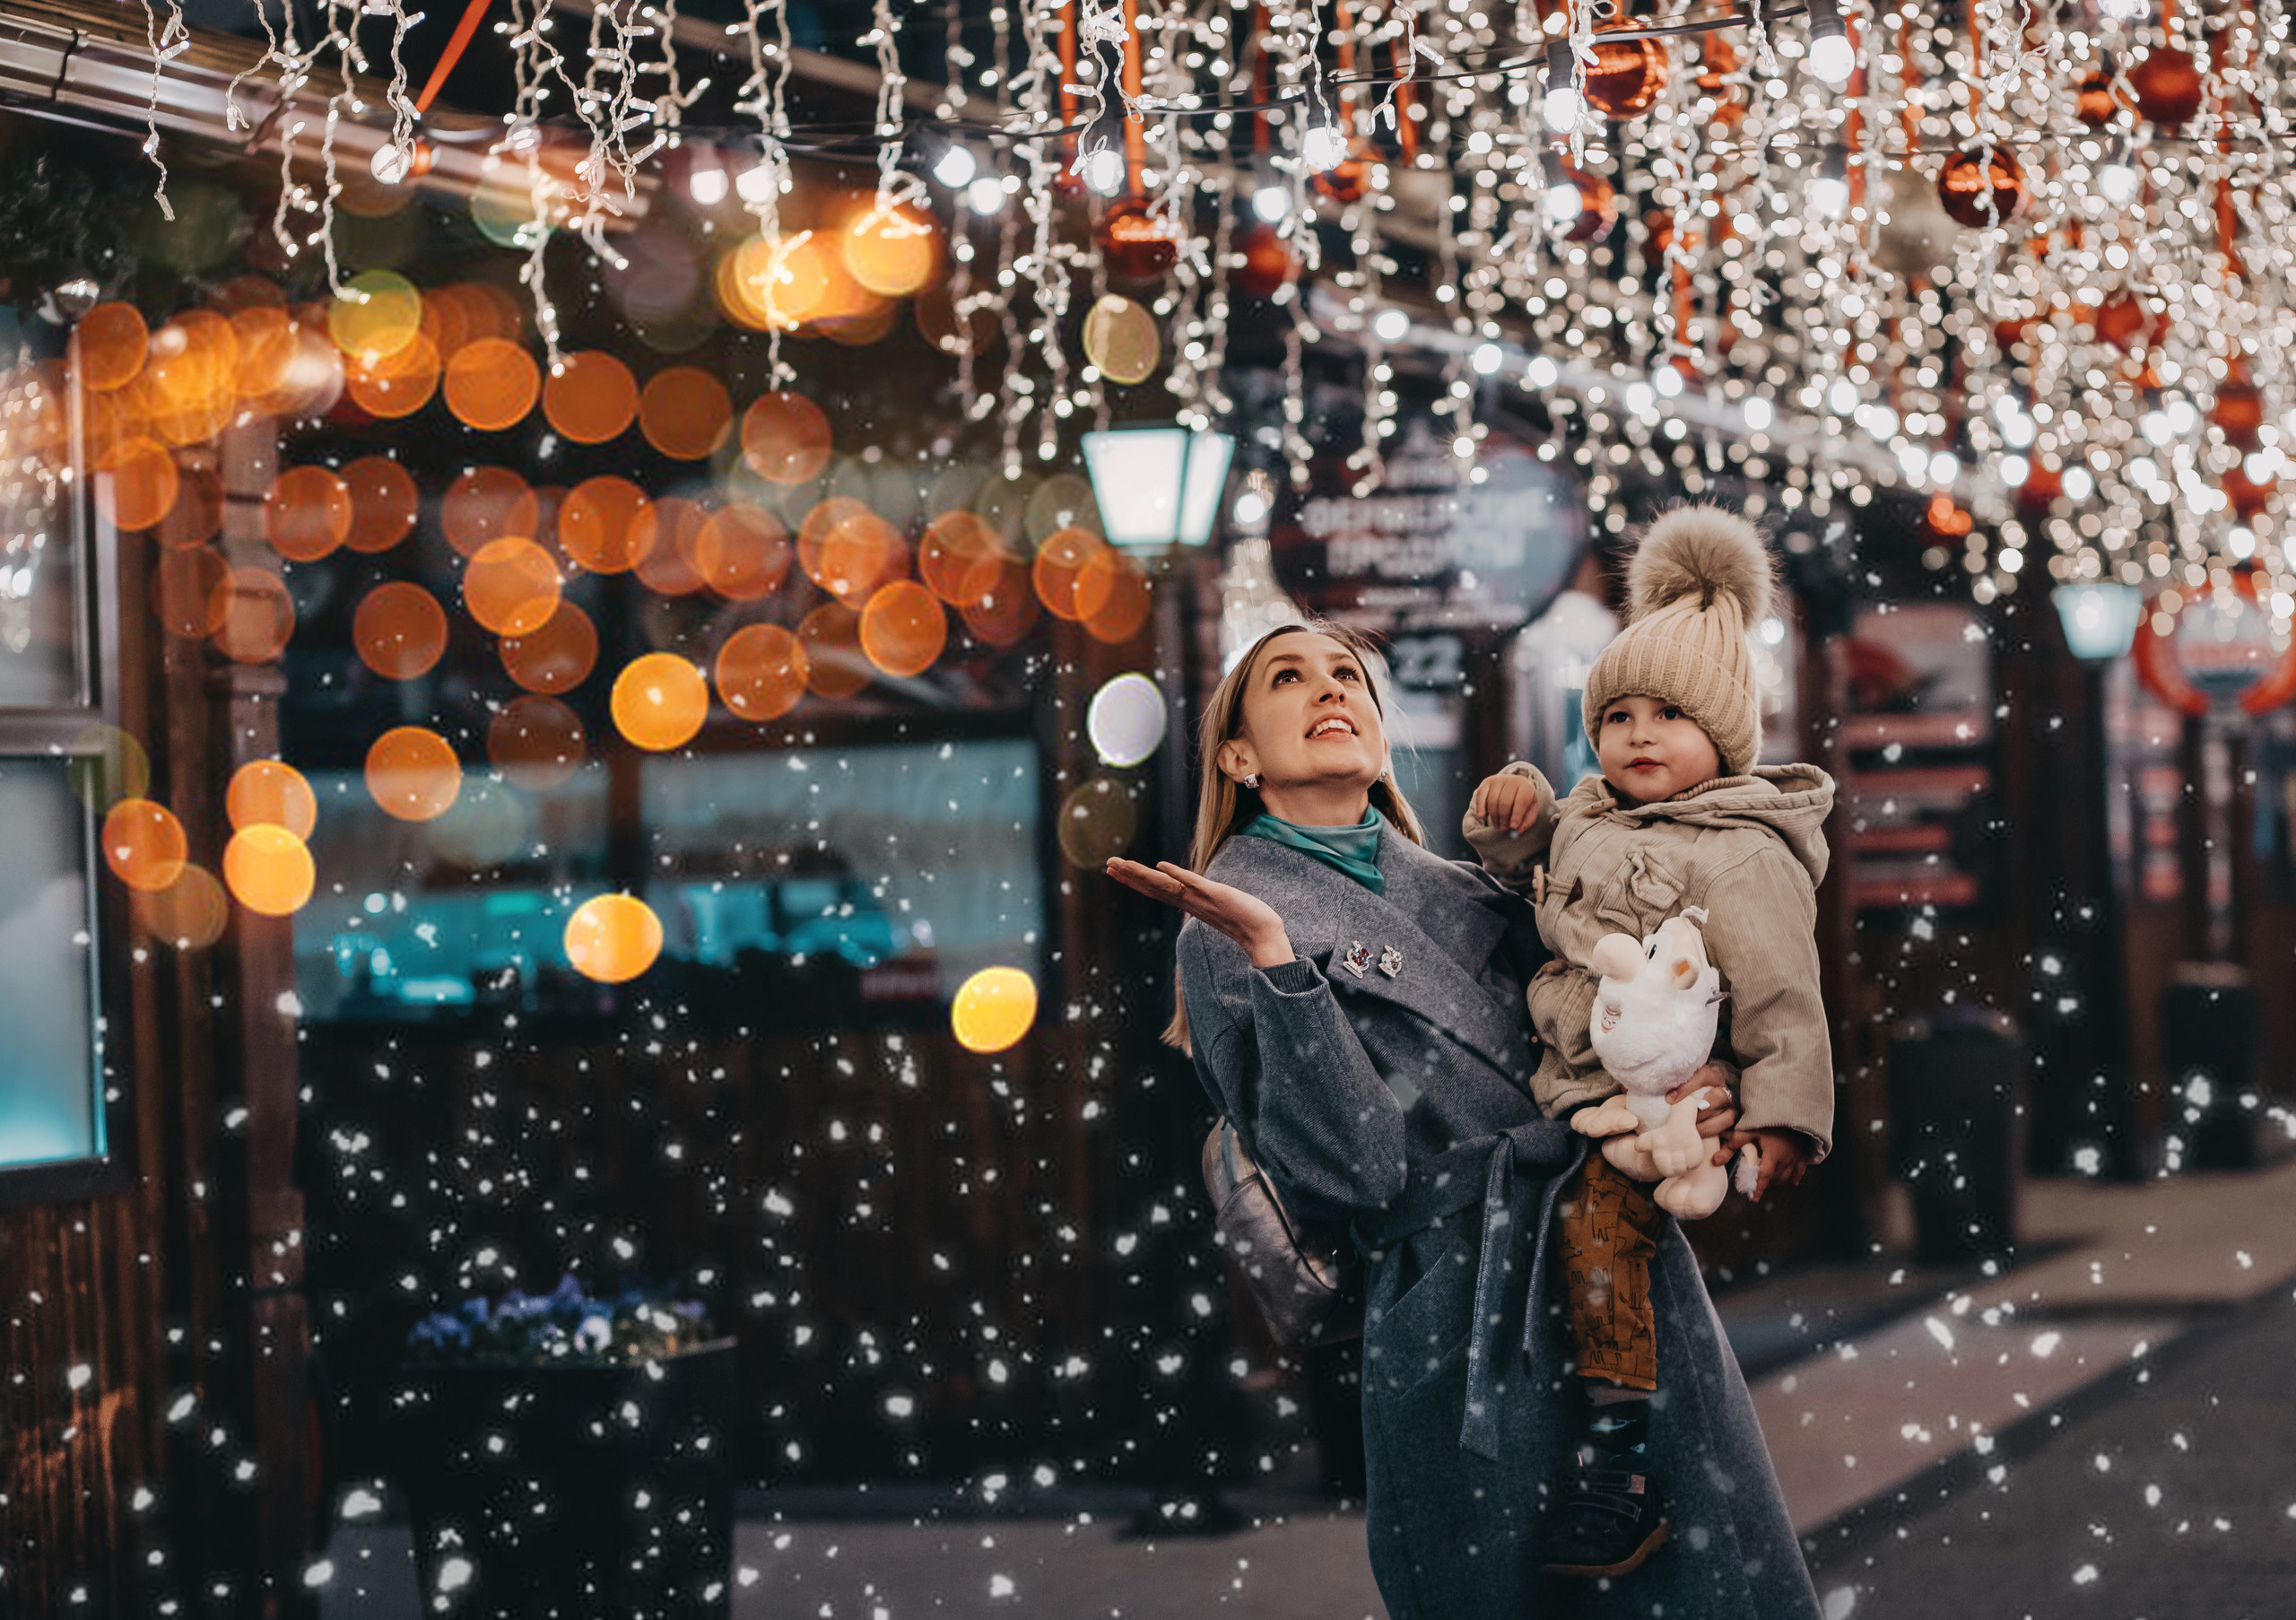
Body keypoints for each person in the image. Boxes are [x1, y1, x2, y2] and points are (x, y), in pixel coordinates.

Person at [1108, 619, 1821, 1619]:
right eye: (1289, 678)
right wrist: (1281, 965)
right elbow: (1355, 1171)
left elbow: (1604, 1033)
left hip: (1612, 1269)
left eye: (1347, 676)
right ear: (1237, 754)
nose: (1329, 692)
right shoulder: (1230, 928)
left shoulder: (1481, 889)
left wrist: (1707, 1080)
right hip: (1454, 1310)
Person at [1464, 505, 1836, 1579]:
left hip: (1667, 1102)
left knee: (1596, 1232)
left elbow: (1782, 999)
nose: (1634, 734)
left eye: (1666, 714)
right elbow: (1526, 886)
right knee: (1557, 1243)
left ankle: (1617, 1464)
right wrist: (1510, 828)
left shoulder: (1740, 857)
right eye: (1614, 713)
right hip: (1572, 1088)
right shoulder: (1588, 817)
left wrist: (1780, 1125)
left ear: (1722, 733)